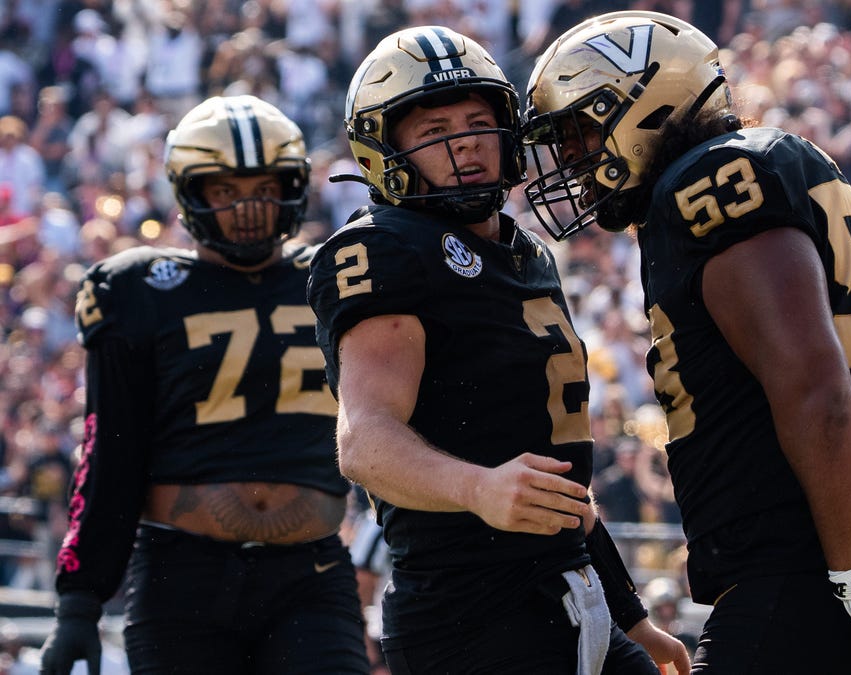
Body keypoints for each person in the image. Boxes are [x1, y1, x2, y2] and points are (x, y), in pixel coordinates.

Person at [523, 11, 851, 674]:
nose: (575, 163)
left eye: (583, 133)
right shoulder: (735, 175)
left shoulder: (714, 182)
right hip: (849, 544)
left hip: (816, 561)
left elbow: (816, 389)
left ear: (643, 105)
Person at [306, 26, 689, 675]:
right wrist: (475, 486)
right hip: (467, 613)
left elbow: (554, 479)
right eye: (434, 131)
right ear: (386, 150)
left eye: (478, 121)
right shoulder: (381, 247)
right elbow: (364, 441)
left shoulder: (526, 251)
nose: (464, 144)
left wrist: (629, 612)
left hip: (566, 592)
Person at [39, 95, 370, 675]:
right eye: (225, 190)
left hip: (310, 574)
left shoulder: (336, 276)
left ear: (292, 187)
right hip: (178, 573)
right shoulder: (136, 289)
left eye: (267, 187)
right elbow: (110, 452)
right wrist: (79, 602)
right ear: (191, 192)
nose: (249, 207)